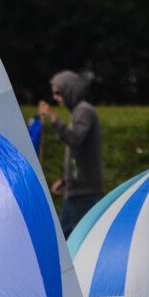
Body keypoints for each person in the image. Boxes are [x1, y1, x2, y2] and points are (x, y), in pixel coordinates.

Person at [38, 70, 103, 238]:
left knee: (65, 239)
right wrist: (67, 181)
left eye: (58, 93)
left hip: (82, 192)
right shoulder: (79, 112)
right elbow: (78, 156)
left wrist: (53, 118)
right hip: (78, 190)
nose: (56, 98)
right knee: (74, 238)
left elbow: (74, 139)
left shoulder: (84, 111)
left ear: (70, 90)